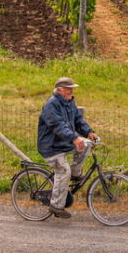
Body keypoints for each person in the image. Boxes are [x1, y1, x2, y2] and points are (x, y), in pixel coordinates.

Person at [37, 77, 98, 218]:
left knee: (86, 144)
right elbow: (58, 126)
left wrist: (88, 132)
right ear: (60, 90)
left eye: (72, 88)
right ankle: (56, 206)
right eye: (68, 88)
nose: (71, 91)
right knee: (64, 171)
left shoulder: (70, 102)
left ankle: (76, 174)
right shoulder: (51, 105)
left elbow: (77, 120)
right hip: (51, 146)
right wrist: (74, 138)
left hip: (63, 142)